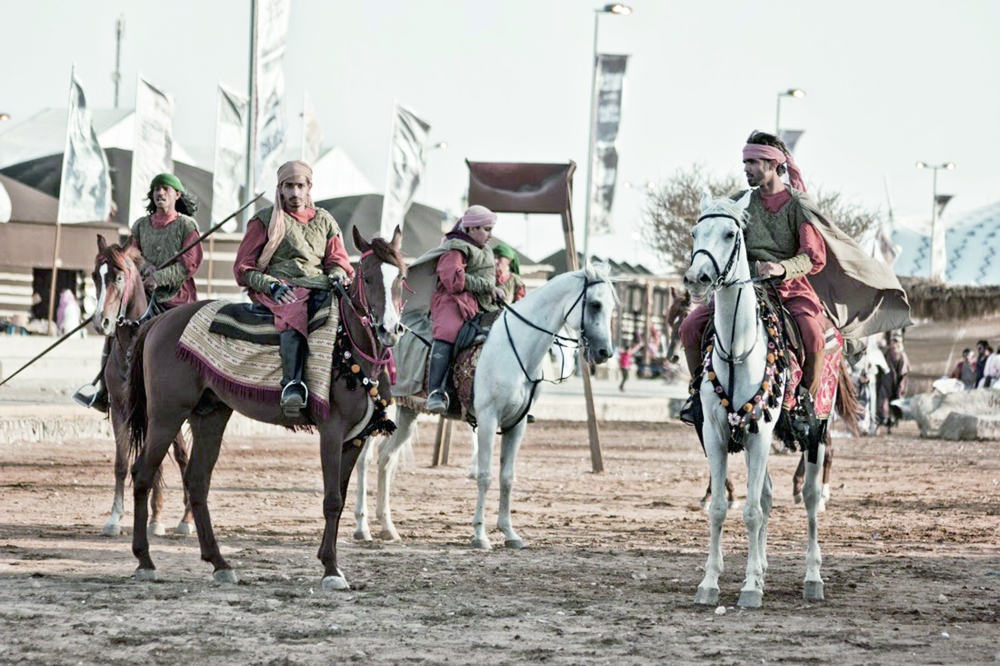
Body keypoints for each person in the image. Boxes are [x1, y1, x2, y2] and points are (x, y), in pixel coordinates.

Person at [679, 130, 911, 425]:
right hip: (743, 286)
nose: (747, 169)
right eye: (745, 162)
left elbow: (815, 257)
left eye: (754, 162)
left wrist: (781, 268)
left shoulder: (798, 204)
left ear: (774, 164)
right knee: (689, 327)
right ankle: (697, 396)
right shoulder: (740, 201)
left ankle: (806, 401)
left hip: (790, 288)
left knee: (814, 335)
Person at [74, 173, 202, 411]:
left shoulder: (186, 226)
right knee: (115, 330)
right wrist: (145, 267)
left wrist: (159, 277)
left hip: (176, 298)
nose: (160, 193)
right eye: (156, 189)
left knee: (187, 338)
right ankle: (103, 389)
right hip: (143, 293)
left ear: (177, 195)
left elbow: (190, 263)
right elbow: (131, 254)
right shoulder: (142, 225)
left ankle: (198, 390)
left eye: (165, 189)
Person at [233, 161, 354, 414]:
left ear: (309, 187)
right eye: (289, 186)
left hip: (320, 284)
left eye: (300, 186)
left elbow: (338, 260)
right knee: (294, 308)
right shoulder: (264, 219)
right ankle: (293, 385)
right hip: (281, 286)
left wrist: (336, 274)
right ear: (280, 188)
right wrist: (271, 285)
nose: (295, 193)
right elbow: (243, 267)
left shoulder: (325, 220)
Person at [423, 206, 505, 413]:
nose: (490, 235)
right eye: (486, 229)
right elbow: (453, 280)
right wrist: (488, 287)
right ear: (470, 229)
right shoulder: (455, 248)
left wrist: (498, 289)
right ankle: (436, 391)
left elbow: (492, 279)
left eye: (490, 229)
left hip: (482, 303)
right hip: (453, 301)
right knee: (448, 332)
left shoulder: (485, 250)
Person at [878, 333, 910, 428]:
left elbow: (904, 372)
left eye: (896, 342)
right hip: (886, 381)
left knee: (896, 401)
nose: (894, 344)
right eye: (893, 341)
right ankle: (884, 419)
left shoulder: (902, 356)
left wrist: (901, 386)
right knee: (883, 401)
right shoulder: (887, 353)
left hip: (897, 382)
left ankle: (894, 420)